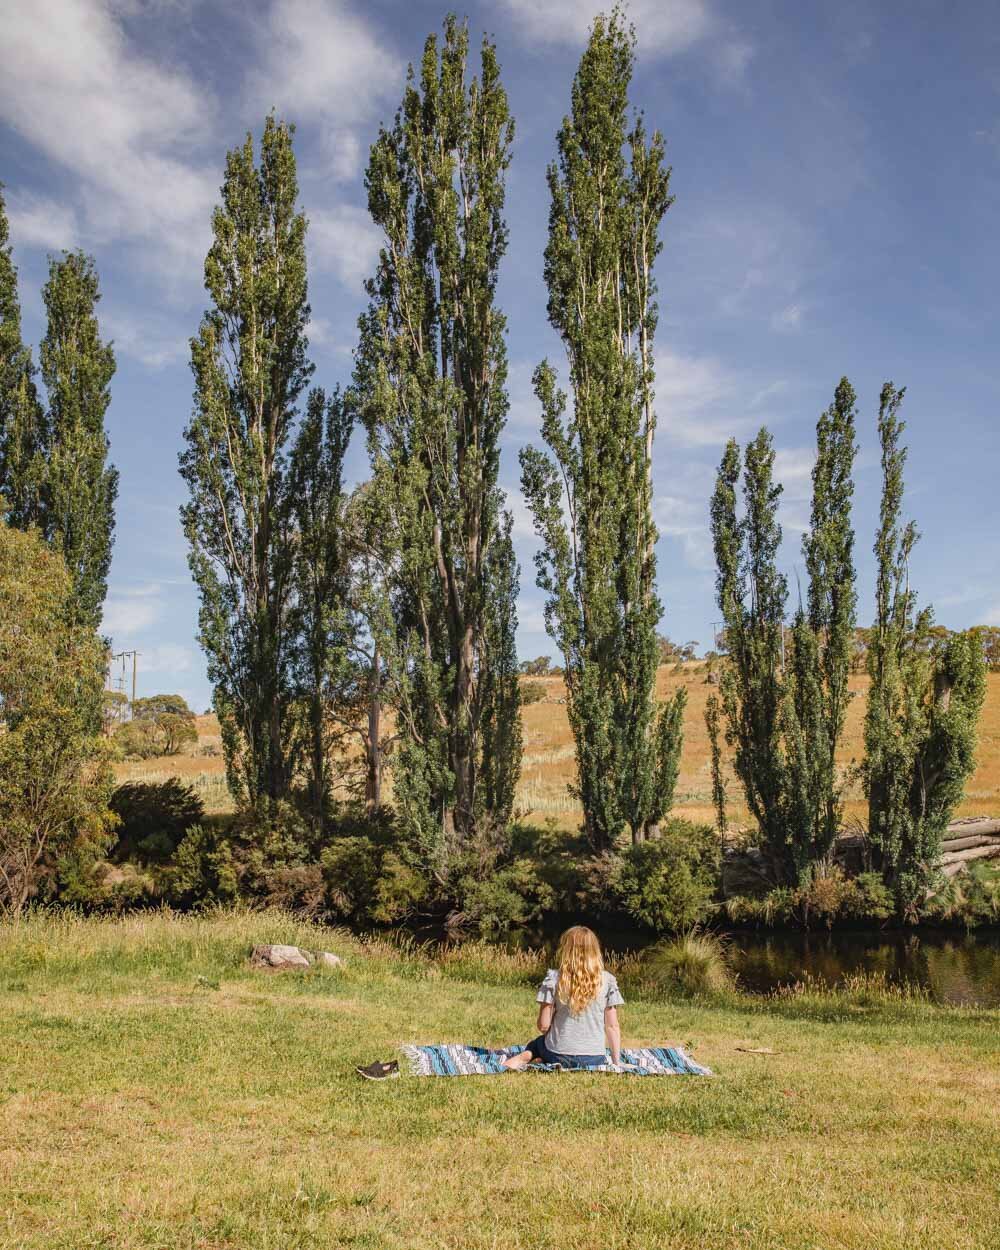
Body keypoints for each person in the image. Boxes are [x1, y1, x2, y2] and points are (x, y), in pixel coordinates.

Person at [502, 925, 624, 1071]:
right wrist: (616, 1063)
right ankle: (539, 1058)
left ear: (567, 950)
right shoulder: (608, 980)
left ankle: (528, 1055)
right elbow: (612, 1026)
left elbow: (543, 1026)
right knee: (546, 1045)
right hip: (594, 1058)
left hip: (557, 1054)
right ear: (595, 950)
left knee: (537, 1044)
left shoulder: (554, 979)